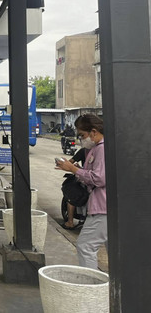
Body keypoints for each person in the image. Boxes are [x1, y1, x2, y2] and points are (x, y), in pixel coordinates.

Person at [55, 114, 106, 269]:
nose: (82, 140)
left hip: (102, 207)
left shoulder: (102, 149)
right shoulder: (95, 149)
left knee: (85, 246)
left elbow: (100, 179)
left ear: (94, 132)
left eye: (83, 135)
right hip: (101, 205)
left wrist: (74, 169)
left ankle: (91, 287)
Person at [61, 147, 87, 230]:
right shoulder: (104, 150)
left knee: (72, 194)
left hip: (88, 179)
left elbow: (69, 163)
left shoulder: (85, 150)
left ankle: (70, 222)